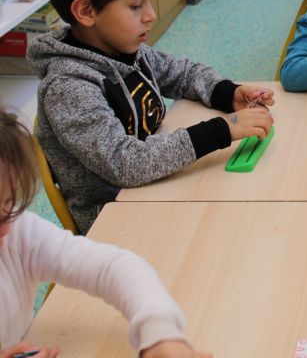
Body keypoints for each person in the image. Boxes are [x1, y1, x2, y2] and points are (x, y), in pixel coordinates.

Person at [27, 0, 274, 234]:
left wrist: (227, 93)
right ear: (86, 12)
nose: (151, 15)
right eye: (136, 5)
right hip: (117, 220)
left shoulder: (122, 48)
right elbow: (126, 163)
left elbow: (181, 73)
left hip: (157, 186)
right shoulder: (68, 88)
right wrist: (222, 130)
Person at [0, 109, 211, 357]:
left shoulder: (18, 234)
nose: (6, 227)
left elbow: (114, 267)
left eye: (8, 205)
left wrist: (160, 335)